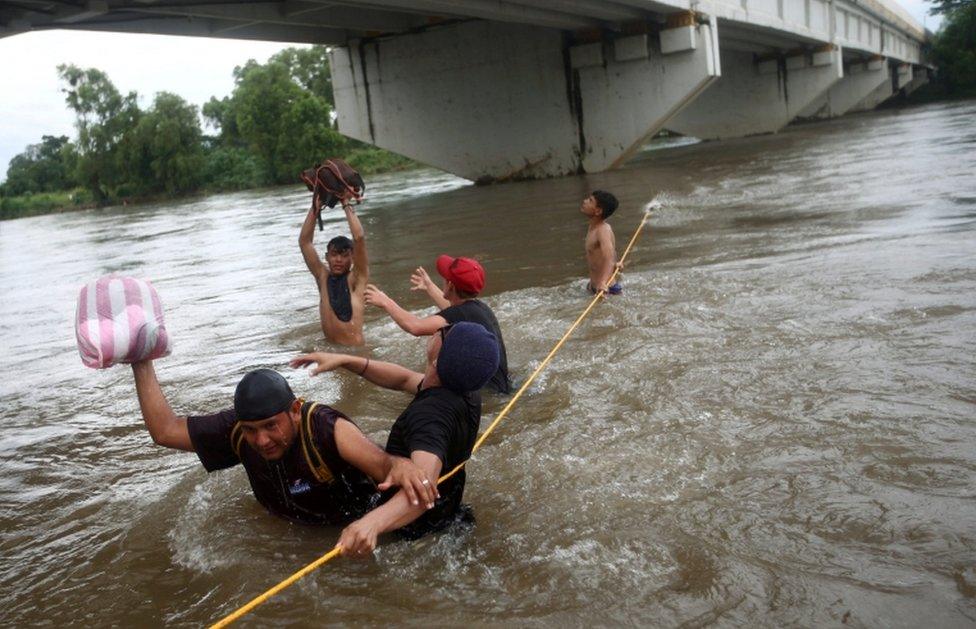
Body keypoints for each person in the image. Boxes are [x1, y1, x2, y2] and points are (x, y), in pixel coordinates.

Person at [129, 360, 438, 526]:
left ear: (294, 412)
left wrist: (403, 467)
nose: (261, 440)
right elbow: (166, 431)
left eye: (270, 426)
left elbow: (385, 465)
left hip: (348, 524)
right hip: (289, 523)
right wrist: (141, 363)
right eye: (251, 430)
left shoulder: (327, 429)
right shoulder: (237, 429)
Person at [291, 320, 500, 556]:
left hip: (415, 534)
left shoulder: (430, 417)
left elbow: (423, 487)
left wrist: (371, 523)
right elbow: (402, 379)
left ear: (438, 360)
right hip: (448, 513)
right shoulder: (462, 390)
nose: (436, 331)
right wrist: (345, 360)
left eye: (443, 333)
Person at [363, 255, 511, 394]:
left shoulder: (460, 314)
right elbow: (451, 308)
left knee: (412, 381)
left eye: (445, 278)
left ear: (451, 285)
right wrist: (429, 286)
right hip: (497, 385)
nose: (443, 280)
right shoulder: (479, 309)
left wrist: (385, 301)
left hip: (484, 392)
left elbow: (415, 326)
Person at [299, 192, 369, 346]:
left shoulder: (357, 278)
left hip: (356, 354)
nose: (338, 260)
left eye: (344, 256)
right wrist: (315, 208)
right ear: (327, 257)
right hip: (331, 353)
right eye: (334, 255)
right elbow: (305, 242)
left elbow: (358, 238)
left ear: (352, 258)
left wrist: (345, 202)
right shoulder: (322, 277)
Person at [580, 190, 622, 295]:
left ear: (598, 211)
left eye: (590, 201)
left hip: (607, 290)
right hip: (593, 288)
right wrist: (615, 265)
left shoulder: (603, 230)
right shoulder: (592, 227)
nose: (585, 201)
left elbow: (609, 257)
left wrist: (603, 282)